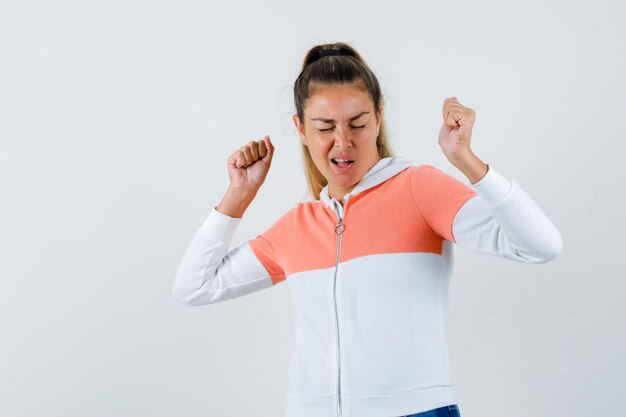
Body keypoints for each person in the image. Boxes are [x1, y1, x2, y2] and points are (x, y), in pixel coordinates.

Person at [171, 42, 563, 417]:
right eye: (324, 127)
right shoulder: (297, 226)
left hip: (414, 411)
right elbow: (193, 287)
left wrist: (464, 158)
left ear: (378, 117)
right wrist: (238, 195)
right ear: (301, 129)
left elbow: (540, 246)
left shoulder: (417, 188)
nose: (343, 142)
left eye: (357, 123)